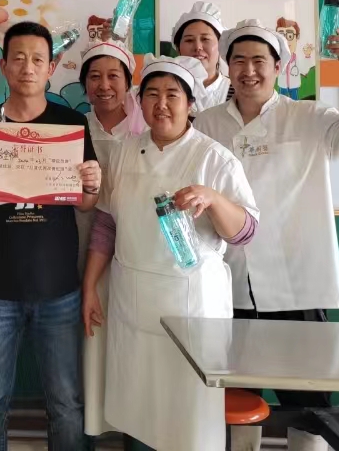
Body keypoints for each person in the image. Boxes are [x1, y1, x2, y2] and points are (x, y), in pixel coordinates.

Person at [197, 19, 339, 451]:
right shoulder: (207, 123)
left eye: (258, 61)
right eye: (239, 61)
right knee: (237, 397)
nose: (249, 71)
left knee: (309, 401)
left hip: (298, 283)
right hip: (230, 283)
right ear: (227, 67)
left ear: (278, 67)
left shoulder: (308, 116)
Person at [84, 57, 258, 451]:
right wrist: (90, 286)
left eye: (172, 95)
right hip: (133, 304)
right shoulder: (125, 152)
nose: (161, 104)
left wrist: (213, 199)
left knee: (187, 417)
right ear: (140, 102)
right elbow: (106, 225)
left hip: (191, 309)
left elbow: (246, 231)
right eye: (152, 95)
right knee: (138, 407)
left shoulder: (213, 157)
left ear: (190, 103)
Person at [0, 21, 103, 451]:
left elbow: (85, 204)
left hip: (59, 288)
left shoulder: (71, 124)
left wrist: (92, 183)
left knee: (66, 403)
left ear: (51, 67)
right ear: (3, 66)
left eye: (38, 59)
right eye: (18, 58)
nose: (27, 67)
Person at [75, 40, 144, 441]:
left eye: (113, 76)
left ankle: (133, 427)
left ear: (128, 83)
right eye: (95, 77)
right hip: (81, 243)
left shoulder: (147, 129)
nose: (104, 85)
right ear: (84, 84)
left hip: (134, 249)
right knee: (92, 340)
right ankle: (94, 427)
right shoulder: (74, 127)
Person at [173, 0, 232, 106]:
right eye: (189, 40)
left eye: (205, 39)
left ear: (221, 46)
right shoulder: (168, 90)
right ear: (178, 49)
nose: (198, 47)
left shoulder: (238, 92)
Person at [276, 18, 302, 100]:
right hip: (282, 85)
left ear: (297, 37)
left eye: (290, 36)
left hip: (294, 85)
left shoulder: (298, 59)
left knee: (295, 102)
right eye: (281, 36)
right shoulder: (277, 58)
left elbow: (306, 68)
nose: (285, 41)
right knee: (280, 102)